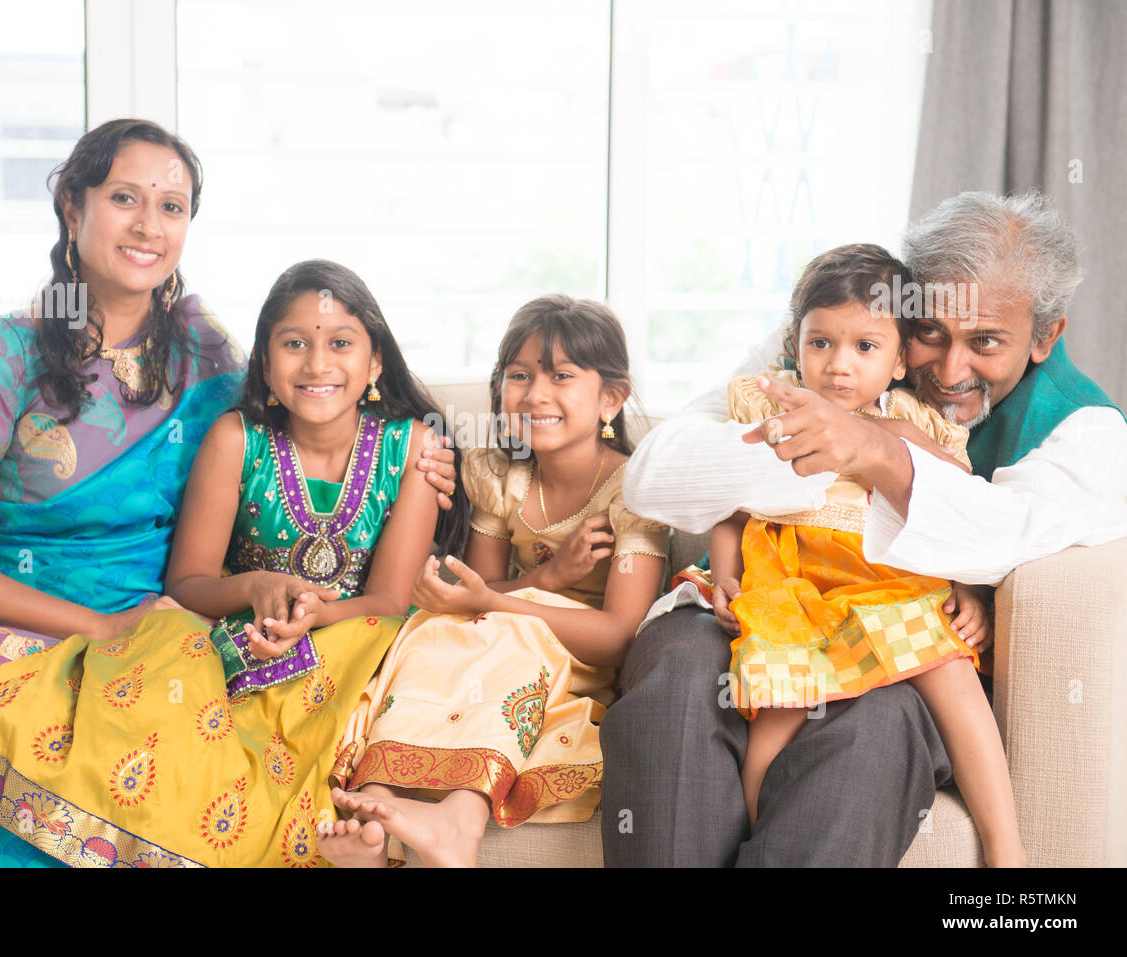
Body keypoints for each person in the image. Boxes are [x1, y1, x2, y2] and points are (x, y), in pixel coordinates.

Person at [0, 120, 458, 868]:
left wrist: (427, 458)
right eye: (125, 198)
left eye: (172, 206)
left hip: (169, 624)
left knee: (202, 747)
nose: (149, 224)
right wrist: (97, 630)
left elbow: (305, 423)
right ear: (73, 209)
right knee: (36, 730)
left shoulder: (204, 352)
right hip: (5, 617)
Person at [604, 189, 1127, 867]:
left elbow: (1003, 534)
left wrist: (873, 450)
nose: (948, 368)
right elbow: (656, 476)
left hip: (895, 634)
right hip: (749, 603)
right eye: (931, 331)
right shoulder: (827, 345)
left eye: (986, 342)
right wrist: (822, 460)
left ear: (1045, 335)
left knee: (874, 730)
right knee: (681, 673)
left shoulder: (1084, 429)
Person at [318, 296, 669, 867]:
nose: (535, 394)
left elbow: (620, 636)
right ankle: (373, 811)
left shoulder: (634, 491)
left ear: (611, 398)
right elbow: (475, 593)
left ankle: (460, 819)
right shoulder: (499, 474)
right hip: (493, 633)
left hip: (575, 662)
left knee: (512, 633)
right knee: (433, 631)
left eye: (561, 376)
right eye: (519, 376)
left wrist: (502, 599)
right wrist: (548, 575)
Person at [707, 244, 1023, 866]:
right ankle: (754, 837)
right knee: (775, 714)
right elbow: (729, 505)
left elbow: (957, 498)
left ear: (902, 358)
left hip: (891, 578)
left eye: (865, 347)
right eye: (820, 343)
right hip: (794, 580)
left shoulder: (913, 422)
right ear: (795, 342)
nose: (838, 366)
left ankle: (1005, 846)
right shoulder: (773, 407)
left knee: (953, 674)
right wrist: (725, 574)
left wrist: (969, 585)